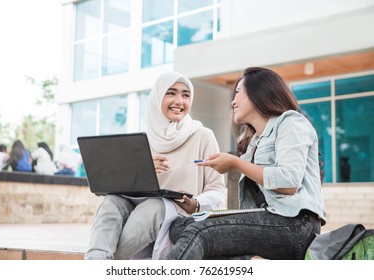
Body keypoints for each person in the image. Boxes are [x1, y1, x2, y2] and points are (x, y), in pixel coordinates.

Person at [166, 67, 326, 260]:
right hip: (267, 219)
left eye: (238, 92)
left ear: (259, 92)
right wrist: (196, 206)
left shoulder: (291, 122)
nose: (233, 101)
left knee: (200, 232)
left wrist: (235, 163)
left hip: (296, 224)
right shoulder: (254, 142)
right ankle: (249, 263)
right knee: (179, 227)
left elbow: (288, 183)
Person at [85, 71, 225, 260]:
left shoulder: (202, 135)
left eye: (185, 95)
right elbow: (122, 186)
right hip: (135, 208)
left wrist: (196, 203)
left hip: (174, 213)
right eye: (171, 93)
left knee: (155, 205)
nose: (179, 101)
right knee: (111, 202)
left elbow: (217, 189)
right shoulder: (142, 138)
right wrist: (140, 168)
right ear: (157, 97)